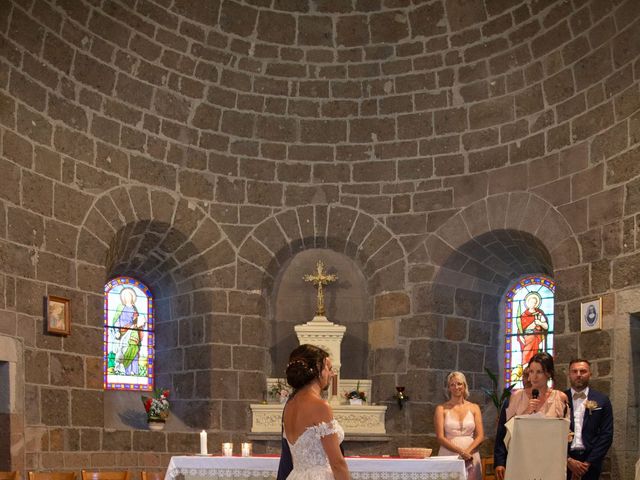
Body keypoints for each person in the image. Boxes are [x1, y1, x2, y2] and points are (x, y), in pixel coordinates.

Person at [494, 352, 569, 480]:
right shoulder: (517, 396)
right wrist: (500, 462)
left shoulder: (560, 398)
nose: (534, 376)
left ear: (549, 373)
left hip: (549, 462)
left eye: (539, 372)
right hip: (521, 459)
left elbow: (567, 433)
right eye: (531, 371)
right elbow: (503, 431)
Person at [280, 344, 349, 480]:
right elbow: (337, 463)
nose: (332, 374)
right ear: (318, 369)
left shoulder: (289, 406)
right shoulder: (320, 406)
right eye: (329, 369)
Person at [565, 358, 613, 480]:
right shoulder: (560, 399)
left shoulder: (602, 400)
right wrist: (567, 460)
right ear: (569, 374)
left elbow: (606, 434)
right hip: (564, 461)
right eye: (574, 371)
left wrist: (587, 463)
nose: (578, 375)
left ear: (590, 374)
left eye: (583, 371)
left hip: (591, 463)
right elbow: (552, 434)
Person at [434, 371, 484, 480]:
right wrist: (461, 452)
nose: (456, 387)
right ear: (449, 388)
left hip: (471, 455)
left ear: (464, 385)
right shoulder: (441, 409)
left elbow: (480, 436)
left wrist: (467, 452)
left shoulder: (474, 407)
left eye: (459, 384)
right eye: (452, 384)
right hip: (449, 455)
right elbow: (440, 437)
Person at [517, 292, 549, 366]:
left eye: (534, 302)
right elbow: (520, 329)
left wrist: (540, 323)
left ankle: (534, 365)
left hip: (535, 336)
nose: (532, 304)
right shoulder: (523, 315)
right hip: (526, 337)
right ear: (527, 303)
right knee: (526, 351)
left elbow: (546, 326)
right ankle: (526, 365)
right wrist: (520, 335)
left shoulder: (539, 314)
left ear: (536, 304)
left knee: (534, 349)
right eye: (531, 302)